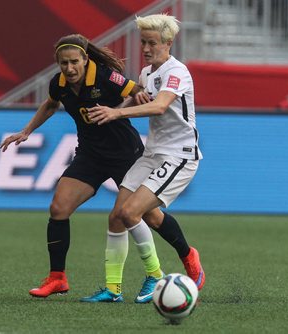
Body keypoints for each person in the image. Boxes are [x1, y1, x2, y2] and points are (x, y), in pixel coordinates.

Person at [0, 34, 203, 301]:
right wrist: (26, 131)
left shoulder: (107, 77)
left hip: (124, 153)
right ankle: (57, 278)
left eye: (74, 62)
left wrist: (135, 98)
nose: (69, 68)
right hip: (90, 154)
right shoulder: (58, 83)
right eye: (64, 63)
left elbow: (135, 90)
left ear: (85, 59)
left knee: (145, 216)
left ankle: (185, 256)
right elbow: (50, 104)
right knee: (58, 208)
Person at [82, 13, 205, 304]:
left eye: (152, 43)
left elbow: (161, 106)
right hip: (153, 153)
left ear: (168, 43)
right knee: (118, 216)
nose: (146, 49)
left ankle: (161, 274)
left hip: (180, 156)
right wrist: (111, 109)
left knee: (130, 213)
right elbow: (139, 99)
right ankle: (113, 289)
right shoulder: (147, 73)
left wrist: (117, 113)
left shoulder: (178, 72)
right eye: (143, 43)